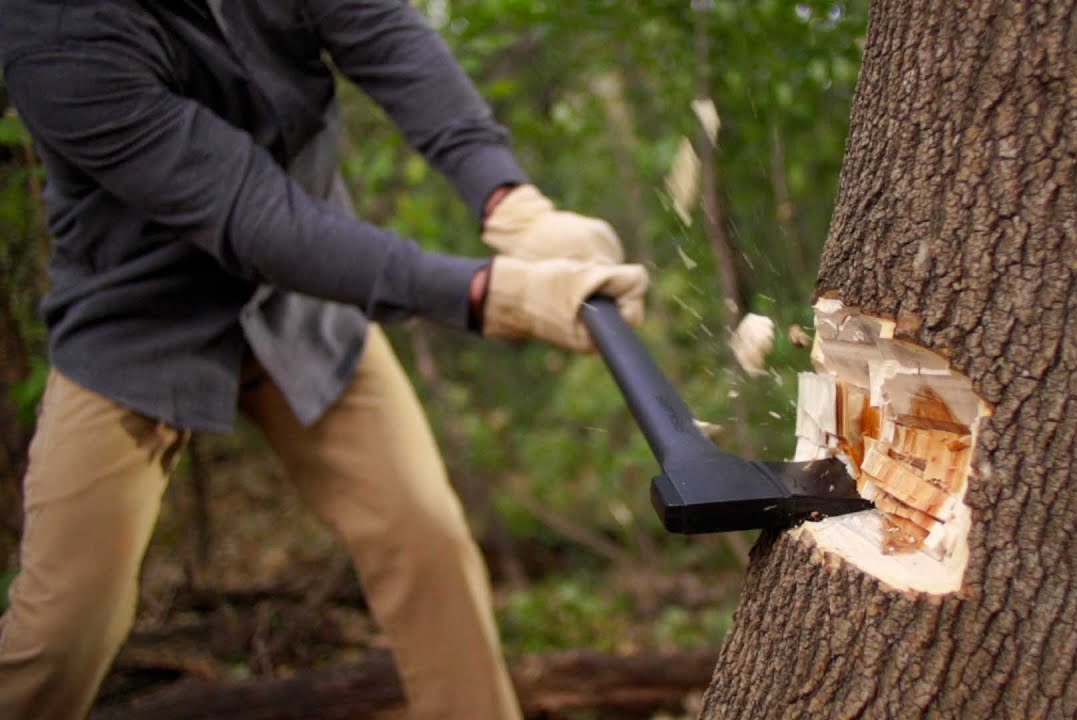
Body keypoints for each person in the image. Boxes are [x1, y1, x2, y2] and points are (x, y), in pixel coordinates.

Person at [0, 1, 648, 718]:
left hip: (306, 308)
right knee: (61, 635)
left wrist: (510, 202)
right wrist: (492, 294)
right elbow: (254, 216)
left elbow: (388, 38)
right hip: (138, 328)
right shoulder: (51, 31)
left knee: (428, 545)